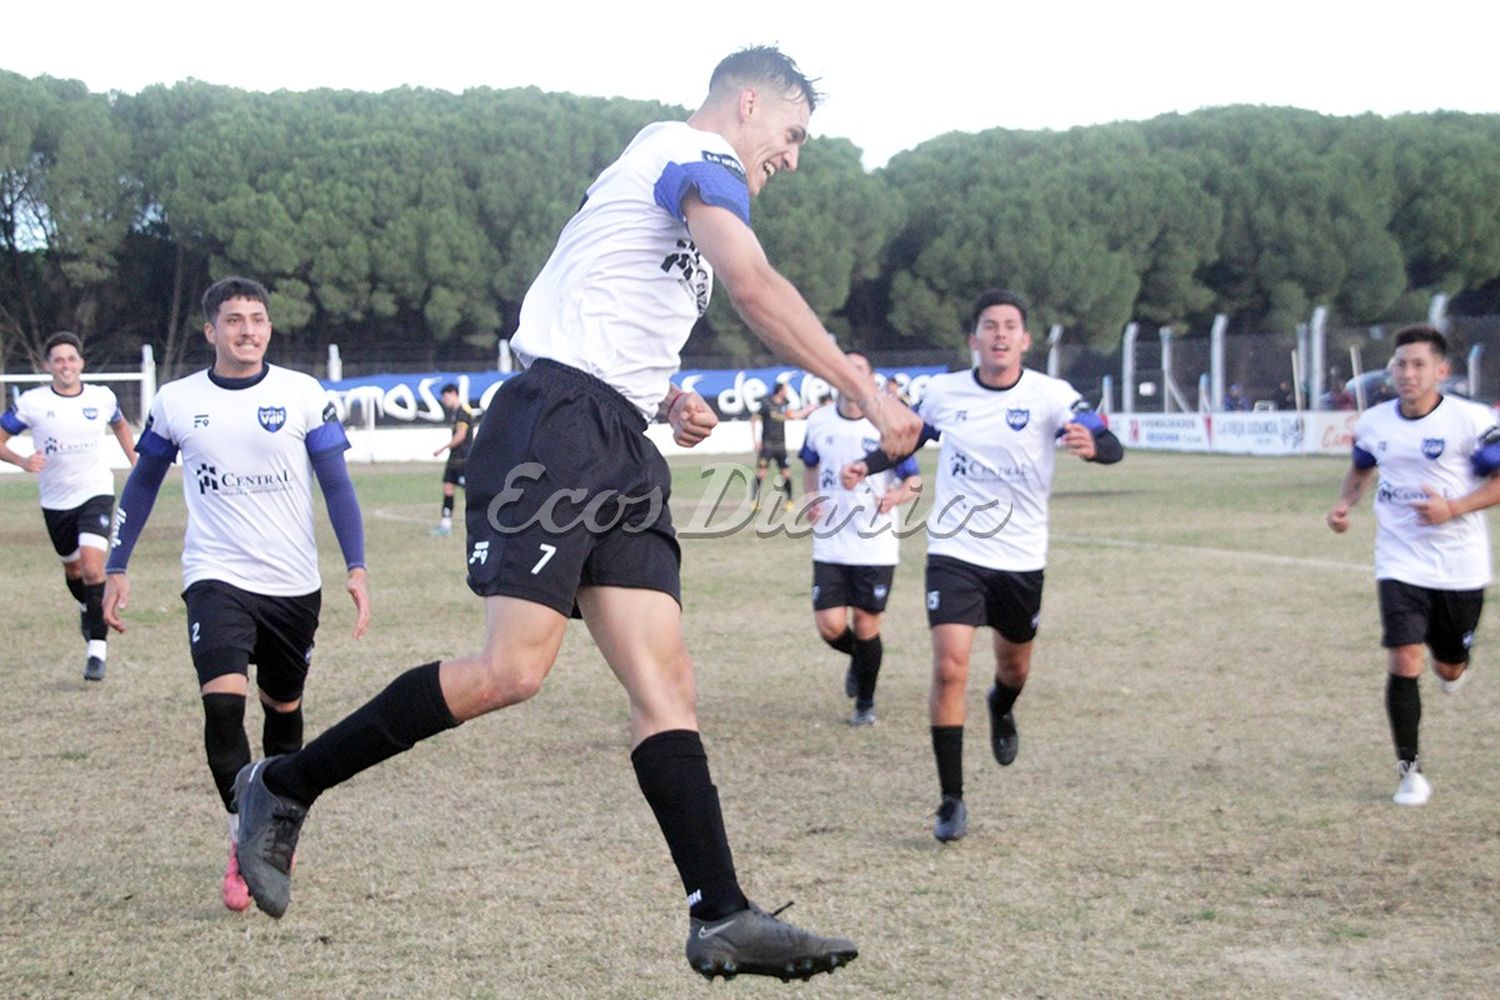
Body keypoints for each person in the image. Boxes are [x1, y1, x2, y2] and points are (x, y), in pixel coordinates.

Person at [227, 46, 921, 981]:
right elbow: (755, 288)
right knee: (511, 671)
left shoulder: (662, 181)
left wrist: (666, 399)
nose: (791, 157)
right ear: (749, 103)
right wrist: (863, 390)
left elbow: (602, 305)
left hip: (618, 435)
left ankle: (719, 913)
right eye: (792, 135)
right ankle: (283, 783)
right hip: (557, 425)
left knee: (667, 686)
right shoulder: (695, 155)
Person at [102, 276, 370, 911]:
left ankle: (276, 826)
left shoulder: (302, 394)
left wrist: (355, 566)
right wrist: (117, 563)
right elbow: (140, 487)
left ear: (269, 328)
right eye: (234, 320)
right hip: (215, 576)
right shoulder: (175, 401)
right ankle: (243, 835)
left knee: (283, 711)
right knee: (223, 708)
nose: (247, 330)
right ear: (210, 331)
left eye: (257, 319)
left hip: (293, 585)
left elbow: (336, 485)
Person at [844, 289, 1123, 842]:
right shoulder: (944, 393)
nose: (999, 334)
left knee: (1014, 668)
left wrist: (1096, 445)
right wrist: (868, 462)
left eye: (1010, 325)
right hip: (956, 551)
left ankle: (1002, 705)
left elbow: (1107, 439)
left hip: (1021, 557)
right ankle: (951, 800)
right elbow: (910, 437)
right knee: (949, 668)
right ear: (973, 340)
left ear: (1024, 339)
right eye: (989, 326)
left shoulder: (1052, 395)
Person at [1326, 324, 1500, 806]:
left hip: (1460, 565)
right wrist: (1345, 504)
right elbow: (1362, 465)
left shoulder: (1471, 420)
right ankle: (1410, 771)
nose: (1407, 372)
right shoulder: (1375, 421)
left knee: (1448, 665)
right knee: (1404, 656)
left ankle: (1455, 666)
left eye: (1419, 364)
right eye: (1400, 363)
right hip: (1399, 559)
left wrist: (1453, 508)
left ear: (1441, 371)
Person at [1, 330, 139, 681]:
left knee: (94, 569)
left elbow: (121, 425)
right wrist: (20, 460)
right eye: (58, 360)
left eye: (71, 359)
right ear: (49, 365)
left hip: (96, 491)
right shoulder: (32, 403)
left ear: (81, 363)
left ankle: (97, 649)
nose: (66, 365)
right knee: (75, 572)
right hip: (55, 501)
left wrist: (136, 463)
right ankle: (87, 606)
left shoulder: (101, 398)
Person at [800, 351, 921, 726]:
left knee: (867, 625)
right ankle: (860, 660)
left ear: (870, 380)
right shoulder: (818, 421)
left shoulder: (886, 425)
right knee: (830, 626)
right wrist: (810, 498)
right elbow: (810, 464)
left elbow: (914, 481)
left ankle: (865, 704)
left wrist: (896, 496)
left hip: (875, 542)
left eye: (860, 372)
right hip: (831, 540)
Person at [431, 383, 475, 535]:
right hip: (454, 459)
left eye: (445, 396)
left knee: (470, 492)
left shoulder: (463, 411)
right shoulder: (455, 412)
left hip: (464, 458)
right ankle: (445, 524)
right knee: (448, 487)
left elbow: (461, 436)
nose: (444, 400)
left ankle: (480, 522)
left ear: (454, 394)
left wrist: (443, 448)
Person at [751, 377, 801, 510]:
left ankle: (789, 501)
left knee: (786, 473)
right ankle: (754, 501)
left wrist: (808, 410)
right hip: (767, 445)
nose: (787, 392)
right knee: (761, 473)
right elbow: (754, 419)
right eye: (785, 389)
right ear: (780, 390)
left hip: (781, 446)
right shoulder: (767, 404)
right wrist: (756, 441)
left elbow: (792, 415)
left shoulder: (785, 404)